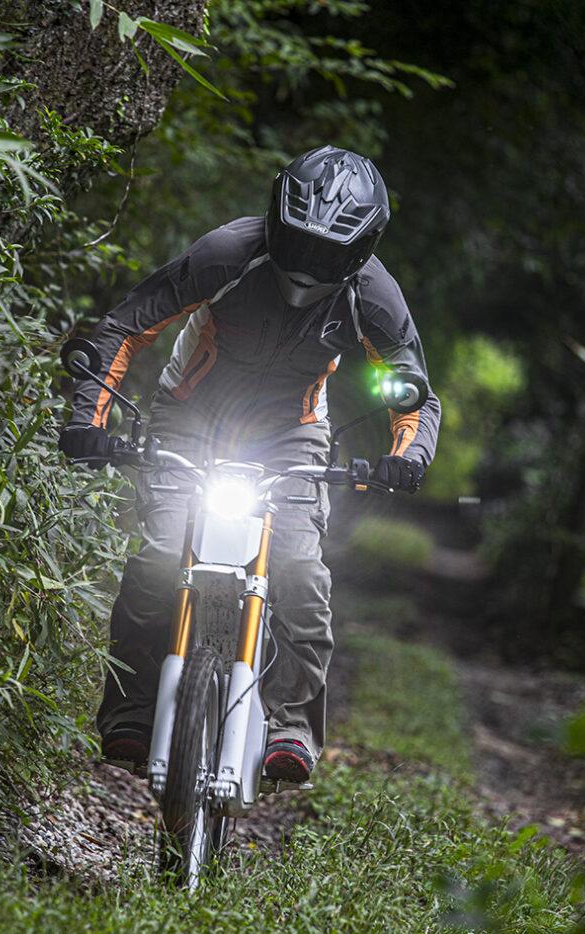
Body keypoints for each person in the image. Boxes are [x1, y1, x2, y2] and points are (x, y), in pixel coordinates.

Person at [58, 145, 440, 783]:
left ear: (361, 249)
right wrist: (87, 421)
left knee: (299, 569)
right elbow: (126, 327)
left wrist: (406, 457)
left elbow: (415, 395)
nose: (308, 263)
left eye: (328, 252)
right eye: (298, 241)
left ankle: (291, 724)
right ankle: (132, 710)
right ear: (275, 217)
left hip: (292, 434)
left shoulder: (373, 296)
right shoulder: (227, 254)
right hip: (190, 415)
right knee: (160, 556)